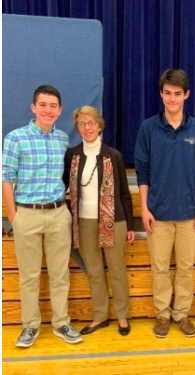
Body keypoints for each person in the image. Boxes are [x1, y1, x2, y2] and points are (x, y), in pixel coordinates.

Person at [2, 85, 83, 347]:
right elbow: (6, 179)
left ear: (59, 111)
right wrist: (13, 216)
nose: (48, 110)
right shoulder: (16, 138)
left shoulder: (62, 140)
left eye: (53, 106)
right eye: (43, 105)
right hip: (27, 215)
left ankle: (61, 323)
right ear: (33, 107)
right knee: (29, 275)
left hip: (59, 214)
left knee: (60, 273)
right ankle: (30, 326)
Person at [134, 69, 195, 338]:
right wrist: (144, 207)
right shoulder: (148, 128)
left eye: (178, 93)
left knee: (186, 268)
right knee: (160, 268)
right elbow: (142, 171)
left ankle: (181, 314)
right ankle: (163, 315)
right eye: (167, 93)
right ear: (161, 94)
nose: (172, 98)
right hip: (158, 213)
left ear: (186, 95)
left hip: (190, 213)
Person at [63, 106, 135, 337]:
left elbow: (124, 193)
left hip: (114, 220)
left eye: (91, 123)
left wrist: (130, 225)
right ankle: (100, 316)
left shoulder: (113, 155)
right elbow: (63, 186)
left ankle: (122, 315)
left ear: (100, 125)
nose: (87, 128)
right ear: (78, 128)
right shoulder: (72, 155)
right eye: (82, 124)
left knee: (117, 270)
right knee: (94, 270)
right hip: (83, 222)